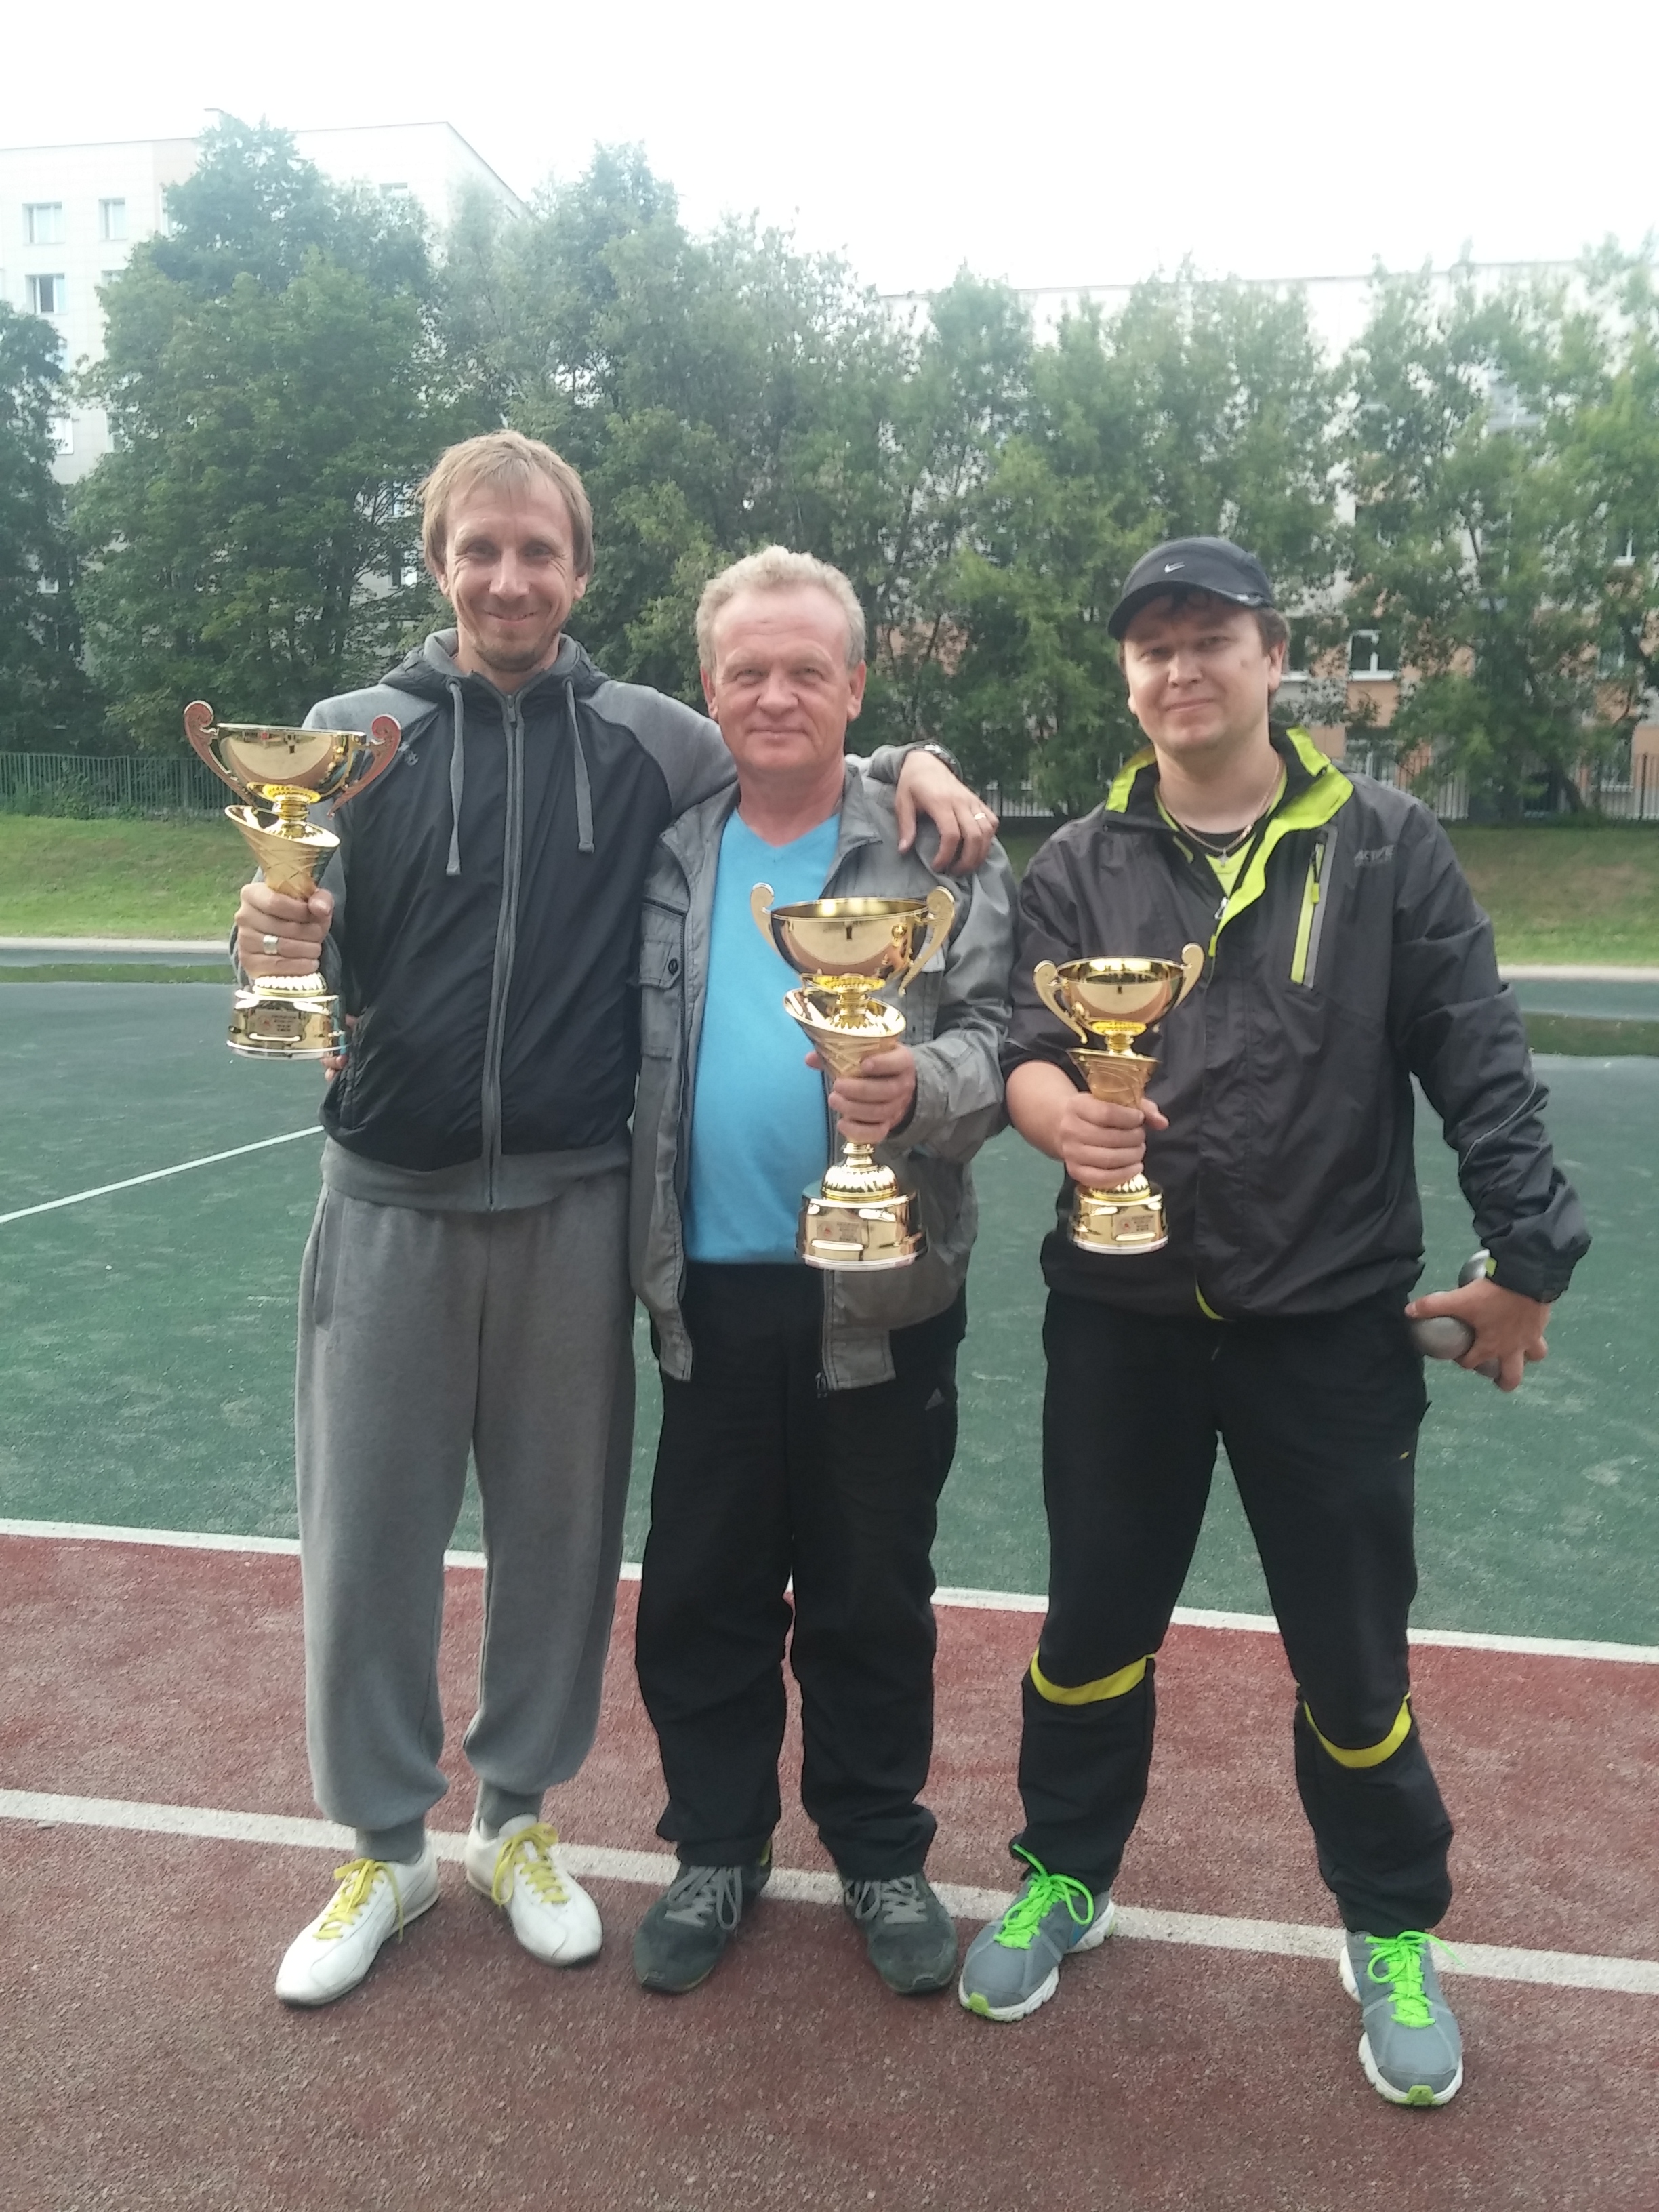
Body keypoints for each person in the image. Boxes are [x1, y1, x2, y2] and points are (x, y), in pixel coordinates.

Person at [231, 433, 994, 2007]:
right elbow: (292, 943)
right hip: (396, 1200)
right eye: (481, 549)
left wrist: (916, 757)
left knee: (567, 1546)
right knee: (368, 1540)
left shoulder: (654, 743)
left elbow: (808, 742)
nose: (510, 578)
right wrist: (264, 935)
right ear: (440, 562)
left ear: (580, 570)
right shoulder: (349, 738)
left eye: (540, 552)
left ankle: (517, 1821)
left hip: (586, 1210)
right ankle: (384, 1847)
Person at [957, 537, 1589, 2106]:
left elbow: (1479, 1056)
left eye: (1210, 638)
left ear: (1273, 655)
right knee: (1091, 1633)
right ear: (1129, 677)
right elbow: (1028, 1042)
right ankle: (1064, 1872)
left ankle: (1390, 1927)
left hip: (1330, 1328)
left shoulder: (1385, 843)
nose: (1181, 668)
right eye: (1153, 646)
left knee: (1353, 1661)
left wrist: (1530, 1259)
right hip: (1122, 1318)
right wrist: (1052, 1115)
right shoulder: (1079, 859)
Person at [628, 548, 1016, 1996]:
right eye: (749, 671)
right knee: (702, 1596)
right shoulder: (665, 848)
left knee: (871, 1595)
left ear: (856, 686)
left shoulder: (937, 849)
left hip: (884, 1293)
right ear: (710, 687)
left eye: (807, 670)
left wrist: (921, 1086)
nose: (776, 695)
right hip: (708, 1295)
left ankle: (878, 1850)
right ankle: (718, 1848)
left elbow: (1006, 1041)